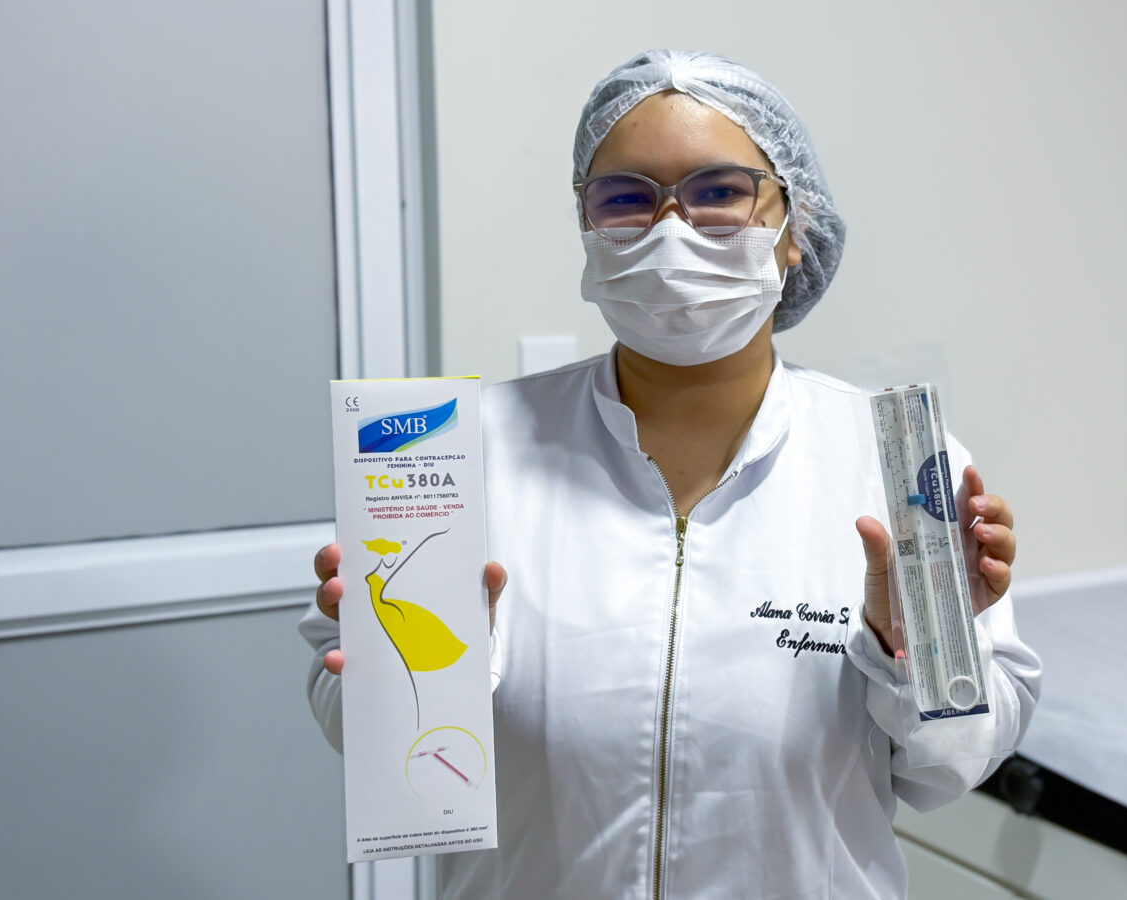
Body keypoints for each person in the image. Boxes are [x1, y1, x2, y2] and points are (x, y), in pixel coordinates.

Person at [300, 49, 1041, 899]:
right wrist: (413, 676)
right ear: (588, 227)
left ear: (795, 228)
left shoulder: (899, 463)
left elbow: (948, 769)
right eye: (625, 197)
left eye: (719, 190)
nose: (670, 228)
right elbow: (370, 742)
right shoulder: (455, 455)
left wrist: (916, 657)